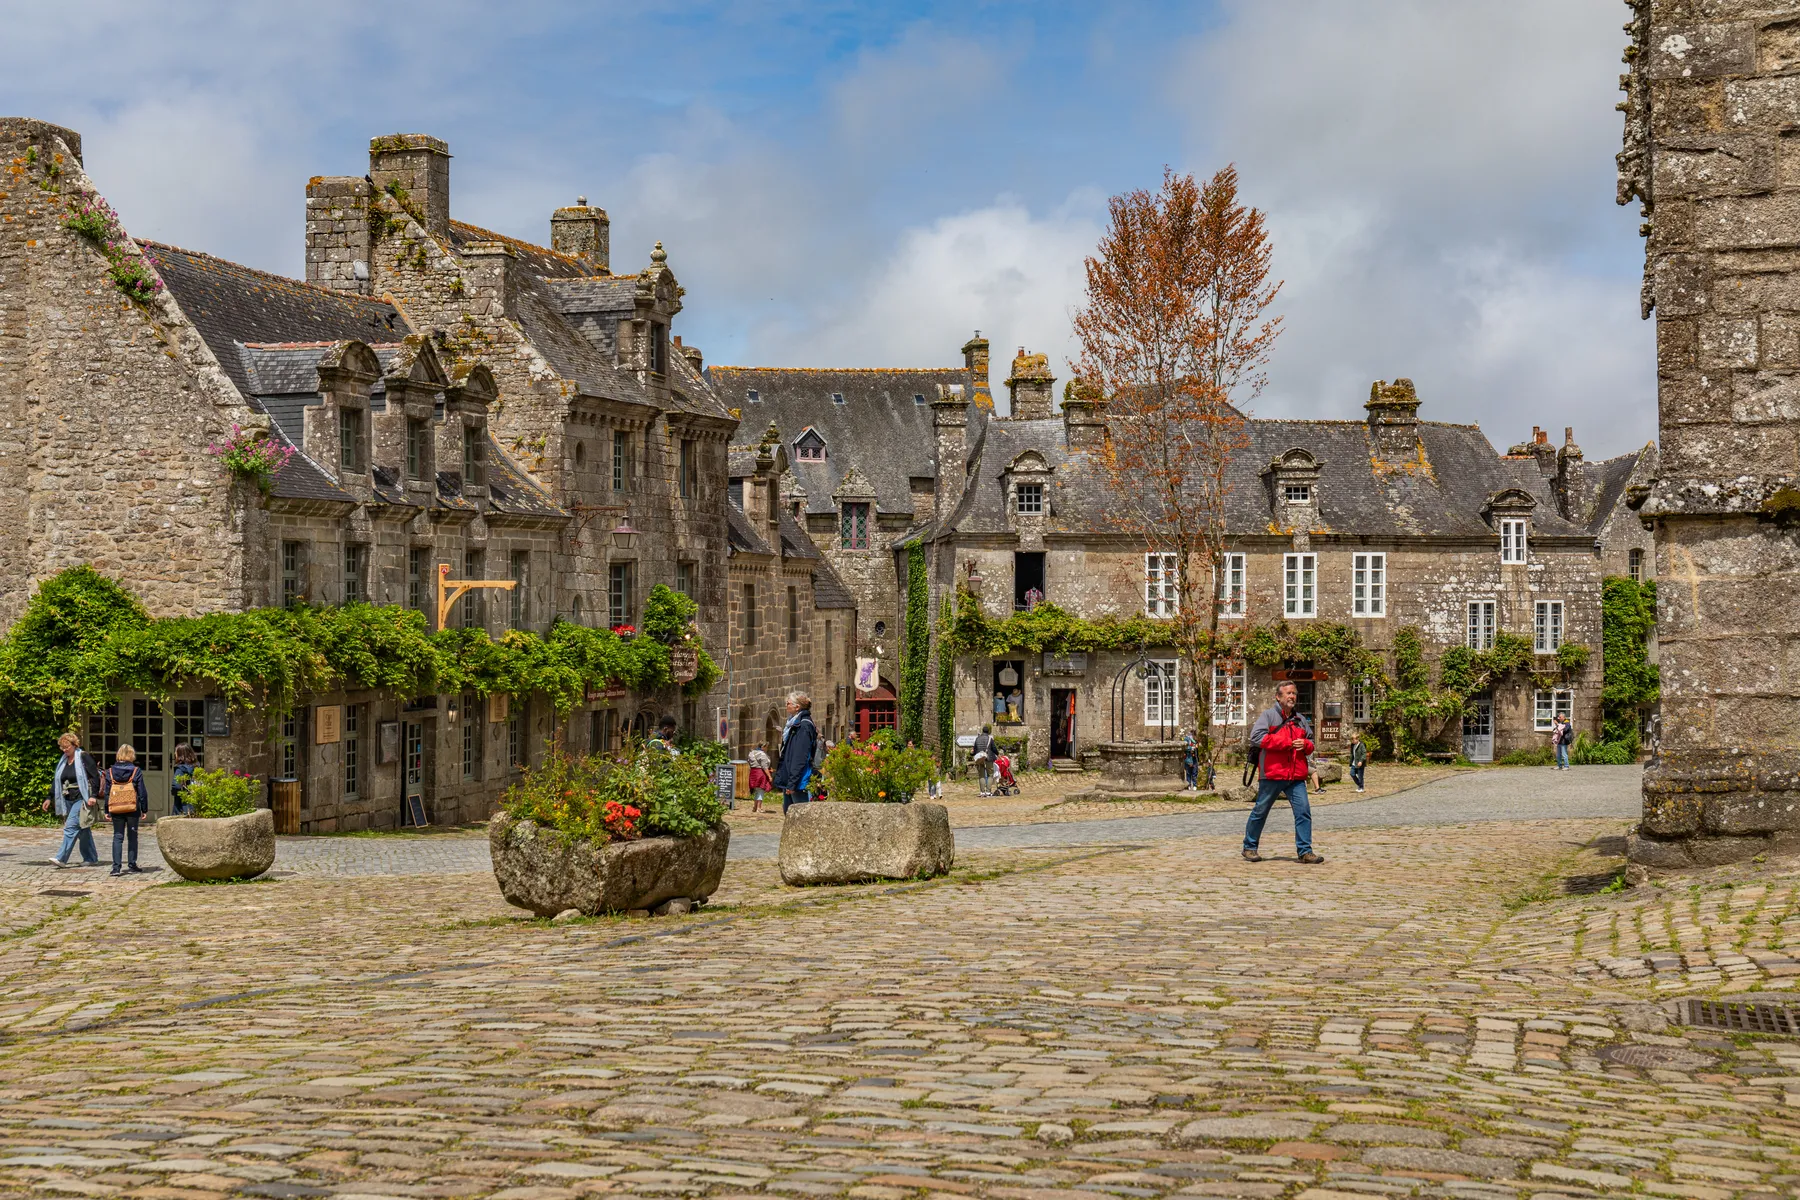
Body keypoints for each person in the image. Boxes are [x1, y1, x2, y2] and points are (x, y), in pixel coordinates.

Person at [1242, 681, 1325, 864]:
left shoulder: (1301, 720)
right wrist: (1286, 743)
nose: (1292, 696)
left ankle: (1305, 851)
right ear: (1278, 697)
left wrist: (1305, 745)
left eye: (1294, 693)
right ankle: (1249, 847)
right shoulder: (1268, 716)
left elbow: (1311, 743)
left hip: (1296, 776)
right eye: (1288, 693)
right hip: (1273, 774)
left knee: (1303, 812)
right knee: (1260, 811)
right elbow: (1256, 737)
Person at [42, 731, 101, 868]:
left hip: (82, 797)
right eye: (62, 747)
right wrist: (49, 797)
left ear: (74, 745)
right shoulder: (63, 760)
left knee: (70, 826)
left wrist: (93, 796)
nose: (64, 750)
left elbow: (95, 776)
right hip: (67, 798)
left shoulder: (83, 757)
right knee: (82, 829)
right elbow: (57, 780)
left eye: (67, 747)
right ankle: (91, 857)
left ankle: (61, 858)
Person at [104, 743, 149, 876]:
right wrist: (144, 809)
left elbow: (107, 792)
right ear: (131, 755)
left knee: (117, 836)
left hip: (116, 808)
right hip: (132, 807)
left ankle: (116, 868)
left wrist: (107, 810)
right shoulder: (136, 771)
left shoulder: (110, 772)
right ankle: (132, 863)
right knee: (132, 836)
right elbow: (142, 791)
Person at [773, 691, 818, 813]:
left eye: (788, 703)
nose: (786, 705)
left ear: (797, 707)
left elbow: (800, 756)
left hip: (798, 781)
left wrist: (792, 783)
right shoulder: (794, 724)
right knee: (789, 813)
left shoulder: (803, 726)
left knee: (799, 815)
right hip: (791, 778)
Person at [170, 742, 198, 815]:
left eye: (176, 752)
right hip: (194, 801)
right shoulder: (196, 767)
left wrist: (174, 792)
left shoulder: (180, 769)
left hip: (181, 804)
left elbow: (176, 785)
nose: (174, 754)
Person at [972, 725, 998, 797]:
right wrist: (997, 754)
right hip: (988, 758)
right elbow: (994, 749)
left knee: (981, 775)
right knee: (990, 775)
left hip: (980, 759)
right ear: (988, 732)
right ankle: (988, 792)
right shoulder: (990, 739)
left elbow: (974, 749)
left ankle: (982, 792)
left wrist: (973, 754)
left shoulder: (977, 739)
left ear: (982, 731)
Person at [747, 743, 772, 814]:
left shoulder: (751, 753)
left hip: (753, 772)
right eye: (766, 747)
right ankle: (759, 808)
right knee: (761, 790)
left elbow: (749, 762)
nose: (767, 748)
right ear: (763, 747)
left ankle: (755, 807)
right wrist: (769, 776)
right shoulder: (762, 754)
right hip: (760, 773)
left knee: (757, 790)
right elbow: (764, 767)